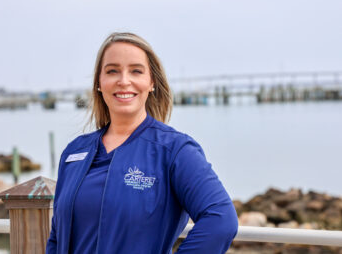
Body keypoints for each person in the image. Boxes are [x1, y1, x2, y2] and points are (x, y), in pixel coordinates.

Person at [46, 32, 238, 254]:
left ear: (151, 83)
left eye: (136, 71)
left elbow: (221, 220)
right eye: (112, 71)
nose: (124, 80)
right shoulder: (74, 153)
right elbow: (57, 238)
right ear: (99, 83)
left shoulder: (175, 151)